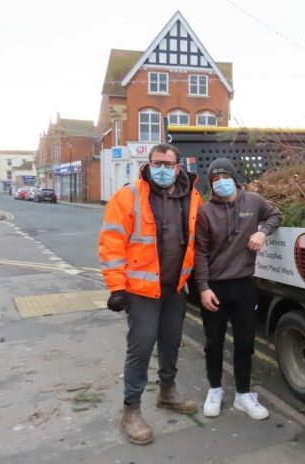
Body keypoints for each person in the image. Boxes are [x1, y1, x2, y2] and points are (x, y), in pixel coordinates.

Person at [98, 143, 202, 445]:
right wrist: (117, 287)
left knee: (171, 342)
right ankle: (131, 410)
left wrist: (196, 279)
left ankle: (167, 392)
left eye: (169, 165)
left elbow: (195, 239)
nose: (163, 169)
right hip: (142, 291)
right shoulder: (128, 196)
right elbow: (111, 244)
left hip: (175, 288)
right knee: (141, 348)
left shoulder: (192, 196)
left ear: (178, 167)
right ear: (148, 164)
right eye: (158, 163)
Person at [194, 158, 281, 420]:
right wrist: (203, 288)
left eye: (224, 177)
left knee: (245, 343)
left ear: (234, 178)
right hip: (216, 288)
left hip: (245, 285)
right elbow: (200, 252)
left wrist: (262, 232)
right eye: (215, 179)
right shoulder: (206, 212)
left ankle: (243, 394)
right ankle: (215, 389)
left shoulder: (253, 201)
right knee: (213, 342)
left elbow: (275, 214)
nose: (220, 182)